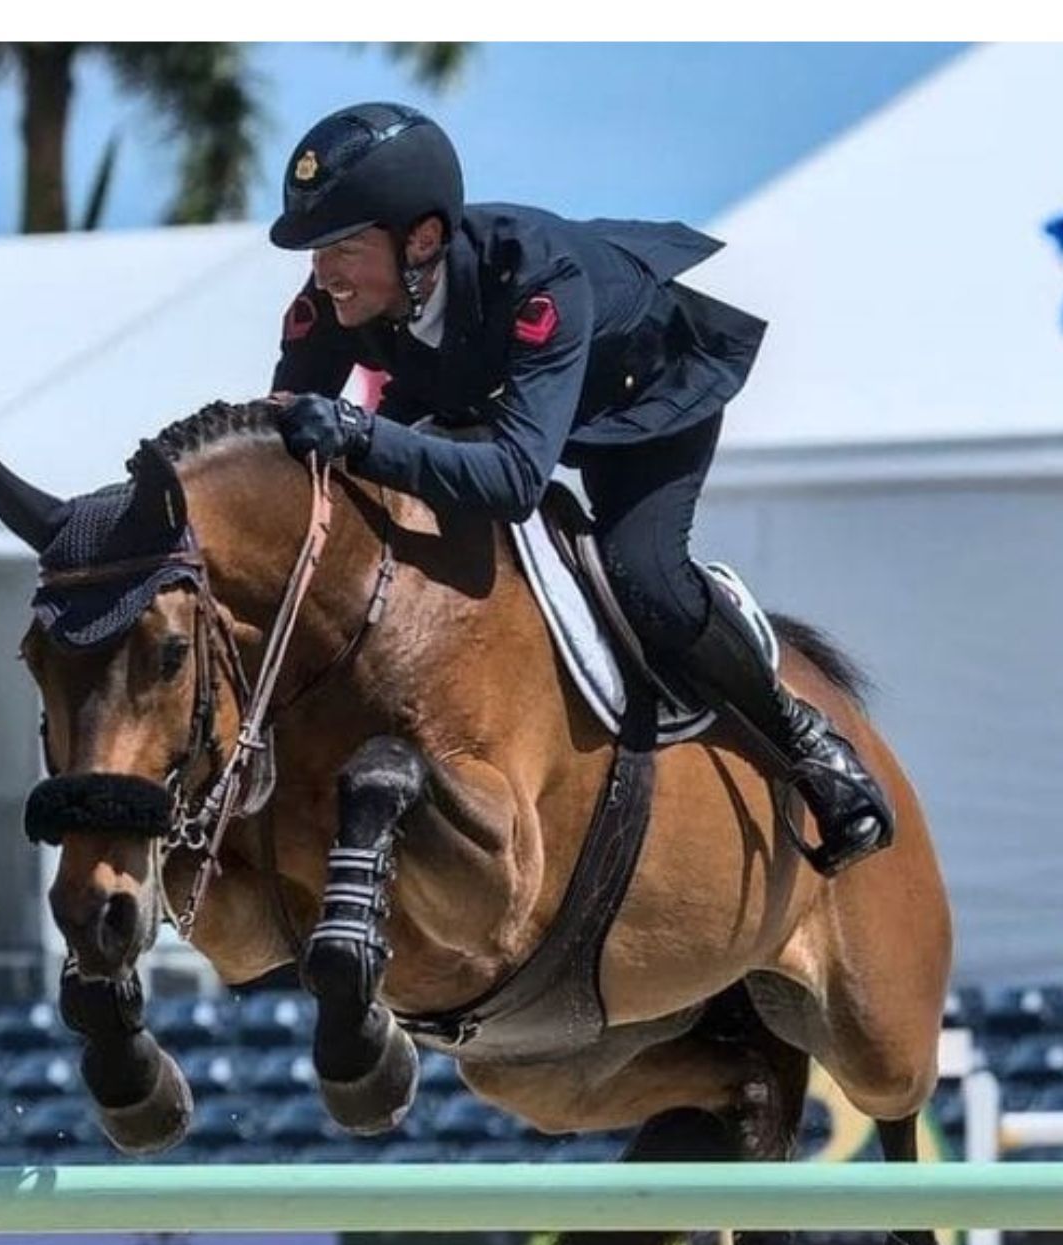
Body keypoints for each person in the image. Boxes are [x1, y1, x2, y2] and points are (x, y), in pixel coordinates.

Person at [262, 101, 891, 875]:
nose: (324, 273)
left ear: (420, 240)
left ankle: (803, 737)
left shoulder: (537, 278)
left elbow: (516, 480)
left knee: (643, 576)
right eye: (316, 251)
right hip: (481, 390)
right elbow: (282, 440)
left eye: (344, 249)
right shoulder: (336, 300)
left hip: (643, 400)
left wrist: (361, 434)